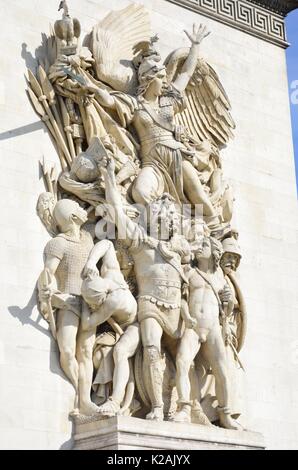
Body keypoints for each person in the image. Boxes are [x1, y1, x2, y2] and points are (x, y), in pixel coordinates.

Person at [80, 25, 221, 225]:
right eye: (160, 77)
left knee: (200, 198)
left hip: (177, 156)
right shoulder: (136, 105)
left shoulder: (169, 101)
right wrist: (92, 87)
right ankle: (166, 223)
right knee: (140, 192)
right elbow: (110, 101)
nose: (164, 81)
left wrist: (195, 46)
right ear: (148, 79)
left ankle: (209, 228)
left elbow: (186, 74)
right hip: (151, 162)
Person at [99, 156, 191, 421]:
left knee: (183, 359)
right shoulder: (141, 242)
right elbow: (117, 211)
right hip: (149, 305)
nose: (166, 223)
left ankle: (187, 405)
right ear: (152, 221)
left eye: (170, 220)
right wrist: (108, 177)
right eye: (161, 219)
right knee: (150, 347)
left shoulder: (179, 250)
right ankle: (158, 407)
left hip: (180, 313)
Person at [173, 235, 241, 429]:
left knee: (223, 371)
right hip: (193, 326)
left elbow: (226, 311)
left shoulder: (220, 279)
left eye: (204, 245)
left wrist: (228, 303)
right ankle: (184, 408)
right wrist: (186, 316)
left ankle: (226, 414)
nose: (199, 248)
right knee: (182, 362)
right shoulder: (189, 272)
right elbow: (182, 299)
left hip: (212, 328)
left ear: (214, 252)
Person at [38, 199, 98, 416]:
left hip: (90, 302)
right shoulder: (58, 243)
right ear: (73, 217)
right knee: (67, 349)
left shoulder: (89, 238)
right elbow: (47, 273)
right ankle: (75, 390)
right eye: (79, 208)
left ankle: (84, 400)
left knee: (86, 351)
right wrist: (49, 293)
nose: (84, 210)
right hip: (69, 301)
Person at [80, 239, 139, 416]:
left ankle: (114, 401)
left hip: (133, 327)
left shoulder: (112, 302)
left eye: (94, 304)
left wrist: (83, 307)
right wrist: (91, 262)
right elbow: (106, 243)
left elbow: (87, 323)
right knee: (100, 356)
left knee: (120, 352)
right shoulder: (112, 275)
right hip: (115, 328)